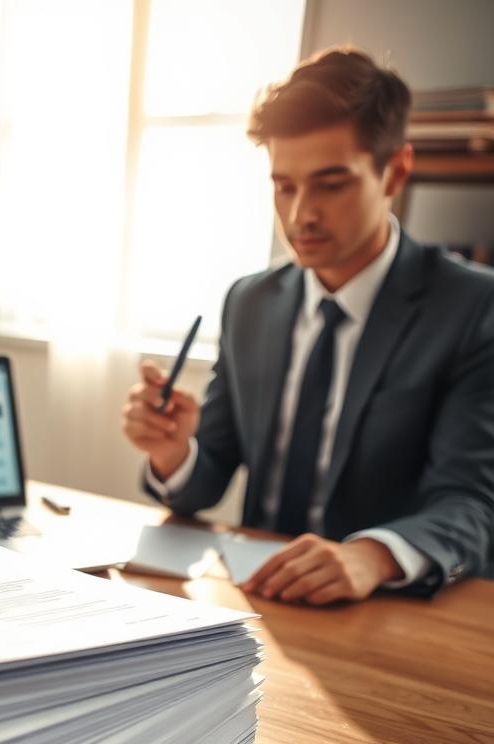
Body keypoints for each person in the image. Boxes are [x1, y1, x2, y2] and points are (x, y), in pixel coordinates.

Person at [122, 48, 494, 604]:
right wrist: (175, 452)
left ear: (396, 171)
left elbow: (472, 504)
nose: (300, 216)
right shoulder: (250, 300)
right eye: (284, 185)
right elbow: (209, 476)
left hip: (384, 611)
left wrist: (371, 556)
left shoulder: (471, 308)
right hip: (256, 603)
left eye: (331, 184)